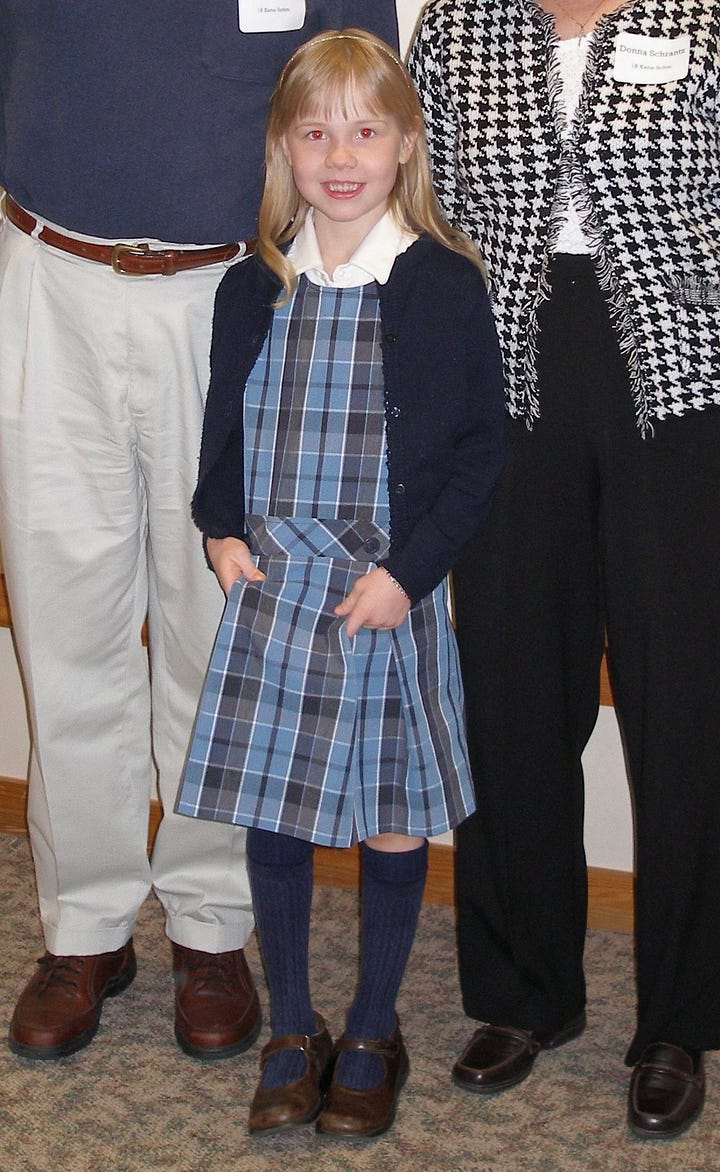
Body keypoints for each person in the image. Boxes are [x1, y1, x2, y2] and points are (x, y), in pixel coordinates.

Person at [0, 2, 399, 1063]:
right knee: (64, 624)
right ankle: (84, 929)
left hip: (235, 293)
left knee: (219, 629)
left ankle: (211, 925)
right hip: (48, 273)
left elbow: (362, 91)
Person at [174, 28, 505, 1139]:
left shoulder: (443, 286)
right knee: (274, 809)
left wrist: (410, 575)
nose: (342, 155)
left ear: (406, 143)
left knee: (390, 818)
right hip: (277, 589)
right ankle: (291, 1026)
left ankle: (370, 1027)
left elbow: (479, 453)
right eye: (315, 134)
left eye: (366, 131)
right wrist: (220, 531)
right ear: (284, 149)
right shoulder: (251, 288)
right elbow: (222, 431)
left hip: (385, 594)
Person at [409, 0, 720, 1140]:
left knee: (682, 699)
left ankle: (681, 1018)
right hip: (505, 383)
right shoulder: (461, 27)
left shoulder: (702, 20)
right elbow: (421, 212)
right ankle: (522, 991)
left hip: (684, 383)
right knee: (509, 685)